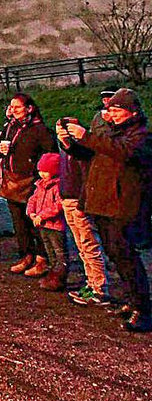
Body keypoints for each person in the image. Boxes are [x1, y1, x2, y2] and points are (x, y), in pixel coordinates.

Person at [61, 88, 151, 333]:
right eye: (110, 109)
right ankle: (134, 301)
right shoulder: (115, 134)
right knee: (116, 255)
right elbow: (91, 154)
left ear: (132, 111)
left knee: (127, 257)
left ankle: (144, 309)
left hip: (123, 206)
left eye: (117, 109)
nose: (112, 113)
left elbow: (123, 152)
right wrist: (69, 142)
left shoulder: (141, 135)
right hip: (105, 204)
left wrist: (87, 136)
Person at [0, 93, 56, 277]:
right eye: (11, 106)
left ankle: (42, 259)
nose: (13, 110)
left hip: (30, 181)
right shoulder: (10, 127)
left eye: (17, 107)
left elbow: (51, 155)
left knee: (33, 221)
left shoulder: (40, 130)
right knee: (19, 222)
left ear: (29, 108)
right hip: (11, 180)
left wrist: (41, 174)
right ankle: (26, 255)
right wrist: (0, 149)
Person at [55, 119, 110, 307]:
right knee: (81, 246)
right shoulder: (65, 149)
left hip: (79, 201)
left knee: (90, 245)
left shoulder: (85, 150)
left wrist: (82, 202)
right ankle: (91, 283)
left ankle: (100, 288)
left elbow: (87, 177)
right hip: (68, 198)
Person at [26, 153, 68, 291]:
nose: (42, 174)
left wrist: (42, 215)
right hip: (43, 225)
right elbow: (33, 199)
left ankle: (59, 277)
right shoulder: (40, 186)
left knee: (59, 252)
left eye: (46, 171)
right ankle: (52, 275)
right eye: (40, 171)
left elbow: (58, 206)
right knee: (50, 251)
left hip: (55, 226)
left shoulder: (58, 186)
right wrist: (31, 212)